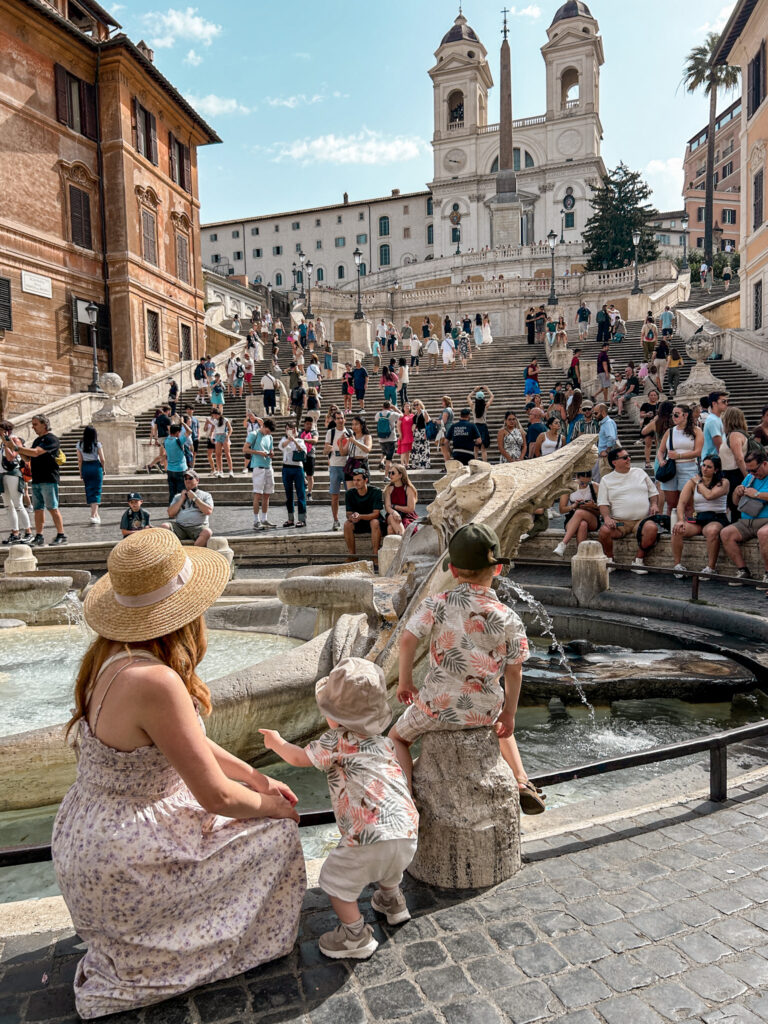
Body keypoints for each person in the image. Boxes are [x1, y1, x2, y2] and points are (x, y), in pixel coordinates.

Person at [52, 529, 303, 1017]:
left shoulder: (107, 659)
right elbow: (215, 796)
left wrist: (254, 776)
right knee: (276, 836)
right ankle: (199, 952)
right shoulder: (157, 680)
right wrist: (271, 807)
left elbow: (186, 740)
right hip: (126, 857)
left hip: (92, 844)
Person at [260, 658, 417, 961]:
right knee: (388, 864)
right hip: (407, 830)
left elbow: (298, 759)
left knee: (334, 879)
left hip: (367, 836)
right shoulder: (385, 743)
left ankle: (354, 935)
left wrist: (276, 742)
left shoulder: (336, 741)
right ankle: (393, 901)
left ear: (334, 716)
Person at [390, 524, 544, 812]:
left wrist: (405, 683)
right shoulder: (508, 617)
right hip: (485, 712)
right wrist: (509, 712)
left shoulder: (437, 604)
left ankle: (406, 796)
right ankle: (522, 781)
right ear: (497, 570)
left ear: (452, 569)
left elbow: (408, 639)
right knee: (504, 728)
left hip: (436, 707)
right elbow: (514, 669)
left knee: (396, 738)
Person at [597, 447, 661, 573]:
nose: (629, 459)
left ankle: (638, 561)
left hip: (641, 520)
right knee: (604, 531)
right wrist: (607, 518)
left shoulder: (640, 473)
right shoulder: (606, 479)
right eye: (625, 457)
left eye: (629, 456)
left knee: (652, 528)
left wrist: (654, 504)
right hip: (620, 522)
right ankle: (610, 560)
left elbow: (653, 492)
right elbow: (603, 503)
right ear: (614, 462)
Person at [10, 414, 66, 546]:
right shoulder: (36, 440)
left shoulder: (52, 439)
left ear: (44, 425)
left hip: (48, 478)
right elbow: (28, 458)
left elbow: (35, 452)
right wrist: (15, 448)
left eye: (35, 424)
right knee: (38, 509)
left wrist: (18, 448)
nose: (33, 427)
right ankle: (39, 536)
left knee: (52, 507)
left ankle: (61, 534)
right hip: (37, 479)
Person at [671, 456, 730, 577]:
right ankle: (677, 565)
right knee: (677, 529)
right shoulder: (692, 482)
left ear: (716, 470)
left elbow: (709, 495)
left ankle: (711, 567)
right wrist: (681, 520)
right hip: (700, 517)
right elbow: (681, 503)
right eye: (703, 465)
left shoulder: (724, 482)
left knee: (712, 531)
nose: (704, 469)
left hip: (717, 517)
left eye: (709, 467)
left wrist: (699, 482)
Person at [721, 450, 768, 586]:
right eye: (749, 471)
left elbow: (757, 495)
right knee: (726, 533)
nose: (752, 474)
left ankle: (767, 573)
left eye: (754, 470)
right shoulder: (750, 477)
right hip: (746, 521)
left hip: (766, 521)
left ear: (764, 464)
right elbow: (735, 503)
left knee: (764, 534)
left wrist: (757, 494)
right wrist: (737, 492)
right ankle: (743, 570)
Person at [656, 404, 704, 515]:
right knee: (671, 504)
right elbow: (660, 450)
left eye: (676, 414)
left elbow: (698, 452)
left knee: (688, 504)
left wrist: (679, 456)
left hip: (688, 467)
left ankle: (687, 527)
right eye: (673, 414)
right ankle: (670, 527)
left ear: (685, 415)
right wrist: (661, 460)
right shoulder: (670, 431)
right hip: (670, 468)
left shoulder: (696, 430)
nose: (674, 417)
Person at [553, 471, 601, 556]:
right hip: (573, 518)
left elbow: (603, 509)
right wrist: (573, 506)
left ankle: (563, 544)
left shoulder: (595, 486)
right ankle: (581, 554)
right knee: (582, 524)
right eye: (582, 483)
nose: (585, 485)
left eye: (588, 482)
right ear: (576, 477)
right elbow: (562, 509)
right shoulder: (569, 487)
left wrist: (593, 506)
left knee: (579, 512)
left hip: (592, 517)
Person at [0, 421, 33, 545]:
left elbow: (11, 457)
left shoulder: (15, 439)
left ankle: (29, 532)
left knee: (18, 504)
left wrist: (6, 442)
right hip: (2, 475)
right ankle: (15, 533)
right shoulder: (1, 444)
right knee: (8, 506)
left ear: (5, 430)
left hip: (13, 474)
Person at [163, 469, 214, 547]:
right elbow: (170, 513)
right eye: (185, 479)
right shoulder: (178, 496)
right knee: (164, 527)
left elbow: (208, 511)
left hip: (198, 527)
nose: (187, 480)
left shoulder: (206, 495)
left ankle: (194, 554)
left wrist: (195, 498)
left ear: (197, 480)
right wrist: (181, 499)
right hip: (180, 527)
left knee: (207, 532)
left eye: (190, 478)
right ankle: (172, 553)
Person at [343, 468, 384, 562]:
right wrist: (352, 517)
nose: (355, 483)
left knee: (374, 522)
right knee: (347, 524)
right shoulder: (349, 493)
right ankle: (352, 555)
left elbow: (376, 514)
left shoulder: (376, 491)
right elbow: (348, 513)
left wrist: (360, 516)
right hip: (358, 522)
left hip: (374, 522)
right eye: (354, 480)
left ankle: (375, 555)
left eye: (358, 480)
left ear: (366, 480)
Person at [244, 416, 276, 531]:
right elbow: (245, 449)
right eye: (267, 431)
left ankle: (264, 519)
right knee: (258, 494)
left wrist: (271, 453)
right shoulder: (254, 434)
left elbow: (271, 449)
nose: (268, 433)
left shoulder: (270, 436)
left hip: (268, 466)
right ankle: (256, 520)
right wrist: (258, 452)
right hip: (258, 467)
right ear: (263, 426)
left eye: (269, 432)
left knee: (267, 494)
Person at [278, 425, 307, 528]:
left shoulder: (300, 440)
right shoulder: (283, 440)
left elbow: (303, 451)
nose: (291, 431)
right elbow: (281, 447)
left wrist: (294, 440)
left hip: (298, 468)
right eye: (288, 429)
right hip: (286, 468)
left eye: (293, 428)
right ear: (286, 430)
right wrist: (289, 439)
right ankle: (290, 519)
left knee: (301, 494)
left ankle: (302, 519)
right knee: (289, 494)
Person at [325, 410, 350, 531]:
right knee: (334, 495)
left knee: (350, 495)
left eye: (342, 418)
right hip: (334, 466)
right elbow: (324, 451)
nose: (340, 420)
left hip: (347, 466)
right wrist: (327, 450)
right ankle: (335, 520)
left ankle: (350, 519)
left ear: (345, 419)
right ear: (334, 420)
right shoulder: (331, 432)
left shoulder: (349, 432)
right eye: (338, 418)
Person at [76, 425, 105, 525]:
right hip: (96, 467)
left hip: (86, 467)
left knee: (89, 490)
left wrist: (81, 472)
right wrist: (103, 469)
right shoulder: (97, 444)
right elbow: (102, 459)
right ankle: (93, 515)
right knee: (97, 490)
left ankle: (95, 514)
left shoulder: (79, 444)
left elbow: (79, 460)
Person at [384, 463, 418, 535]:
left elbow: (410, 509)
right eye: (389, 473)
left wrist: (395, 507)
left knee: (390, 528)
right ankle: (403, 539)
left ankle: (398, 542)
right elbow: (387, 507)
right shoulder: (388, 489)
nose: (390, 475)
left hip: (407, 516)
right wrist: (394, 512)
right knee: (392, 517)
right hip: (392, 514)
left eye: (393, 473)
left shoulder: (409, 489)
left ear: (400, 475)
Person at [342, 415, 373, 486]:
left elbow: (368, 449)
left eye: (356, 424)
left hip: (361, 463)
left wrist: (354, 441)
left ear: (362, 425)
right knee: (350, 490)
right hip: (351, 463)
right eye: (352, 424)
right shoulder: (351, 437)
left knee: (363, 489)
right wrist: (341, 442)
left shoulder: (367, 436)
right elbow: (343, 453)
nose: (354, 426)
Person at [468, 386, 494, 461]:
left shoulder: (473, 406)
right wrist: (487, 389)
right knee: (483, 448)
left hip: (475, 427)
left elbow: (468, 397)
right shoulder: (485, 406)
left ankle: (475, 463)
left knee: (475, 448)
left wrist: (474, 390)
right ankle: (485, 463)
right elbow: (492, 396)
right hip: (483, 427)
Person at [594, 403, 619, 480]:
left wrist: (607, 451)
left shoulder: (608, 423)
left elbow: (611, 437)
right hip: (605, 456)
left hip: (606, 457)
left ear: (602, 412)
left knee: (606, 480)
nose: (594, 415)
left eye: (596, 413)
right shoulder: (606, 423)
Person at [375, 400, 401, 474]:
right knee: (389, 458)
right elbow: (402, 415)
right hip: (391, 438)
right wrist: (395, 408)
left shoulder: (378, 414)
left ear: (382, 407)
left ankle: (381, 461)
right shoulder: (392, 414)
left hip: (381, 438)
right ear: (390, 407)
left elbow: (376, 420)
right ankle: (386, 476)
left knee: (383, 452)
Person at [703, 391, 729, 458]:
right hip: (713, 461)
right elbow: (719, 445)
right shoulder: (713, 420)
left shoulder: (716, 418)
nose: (726, 404)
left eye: (727, 401)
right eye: (723, 401)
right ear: (714, 403)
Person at [211, 412, 234, 480]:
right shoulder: (214, 421)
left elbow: (230, 429)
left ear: (219, 414)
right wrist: (211, 437)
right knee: (218, 454)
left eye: (215, 414)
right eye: (214, 415)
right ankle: (220, 471)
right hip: (218, 436)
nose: (214, 416)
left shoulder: (225, 420)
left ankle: (231, 470)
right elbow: (212, 430)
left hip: (224, 435)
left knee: (227, 454)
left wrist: (228, 436)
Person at [410, 399, 431, 470]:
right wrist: (412, 430)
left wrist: (426, 433)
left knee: (424, 448)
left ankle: (425, 464)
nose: (416, 406)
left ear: (420, 405)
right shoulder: (415, 414)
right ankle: (417, 464)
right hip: (416, 433)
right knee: (416, 449)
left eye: (417, 404)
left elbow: (428, 423)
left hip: (423, 431)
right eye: (414, 405)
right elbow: (414, 424)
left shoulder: (424, 412)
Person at [396, 401, 414, 468]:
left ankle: (407, 464)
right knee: (403, 450)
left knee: (408, 451)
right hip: (404, 435)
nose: (407, 407)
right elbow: (398, 426)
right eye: (406, 406)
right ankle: (402, 464)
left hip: (410, 434)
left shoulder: (412, 415)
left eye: (408, 406)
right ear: (403, 408)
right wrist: (400, 434)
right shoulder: (401, 416)